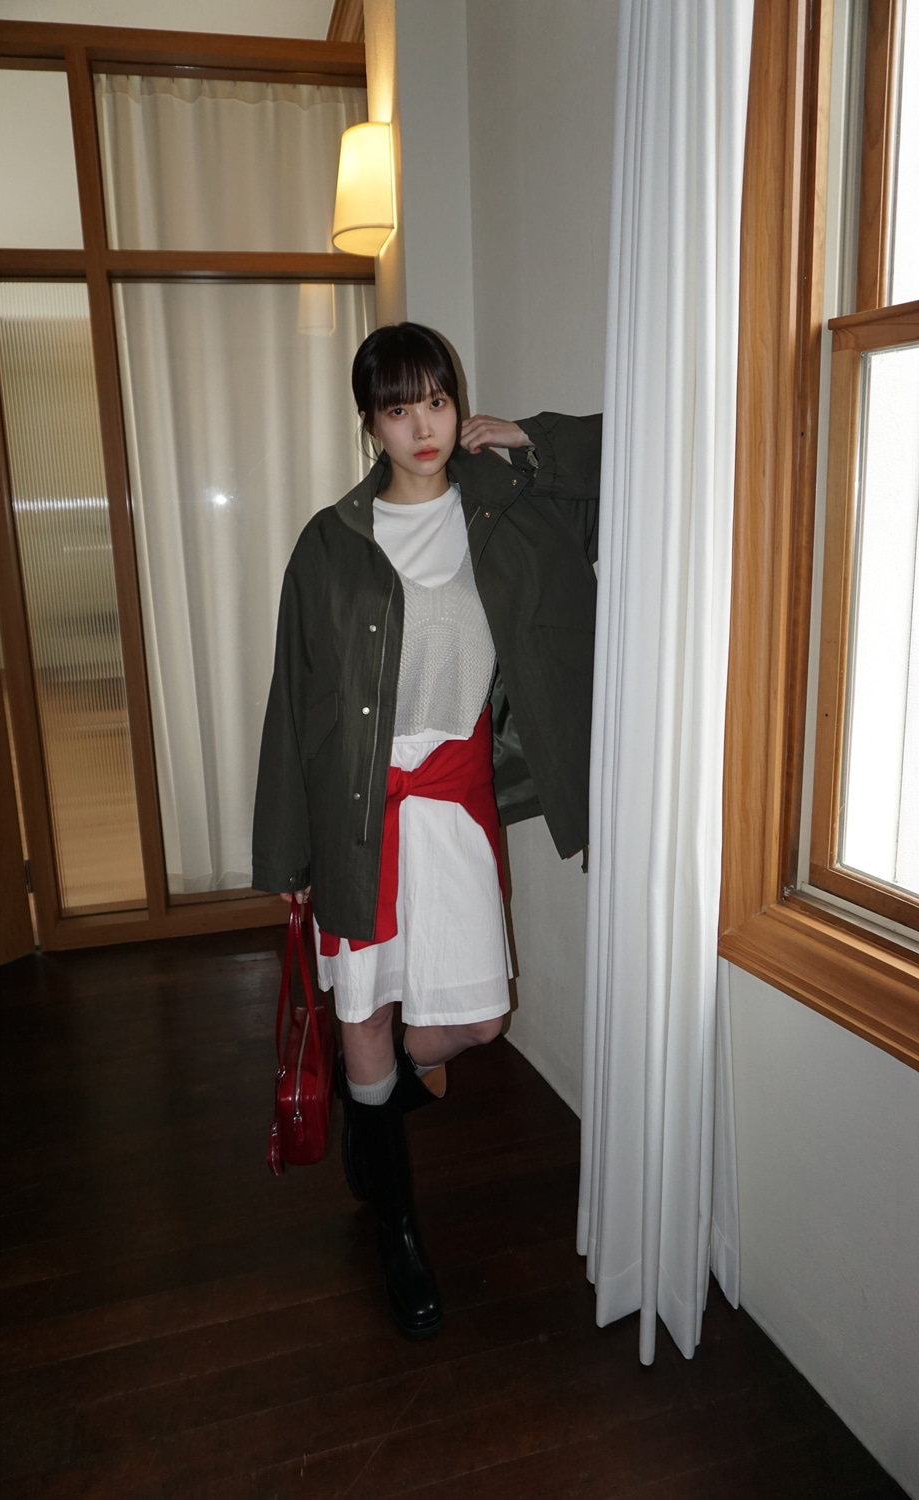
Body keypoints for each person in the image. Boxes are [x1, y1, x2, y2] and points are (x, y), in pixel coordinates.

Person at [253, 322, 601, 1340]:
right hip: (355, 815)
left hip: (451, 805)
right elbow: (295, 703)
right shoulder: (330, 544)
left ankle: (379, 1099)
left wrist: (532, 438)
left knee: (478, 1019)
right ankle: (395, 1227)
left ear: (458, 403)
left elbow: (637, 458)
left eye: (437, 401)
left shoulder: (507, 508)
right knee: (361, 1012)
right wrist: (288, 854)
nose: (423, 426)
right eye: (398, 408)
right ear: (370, 423)